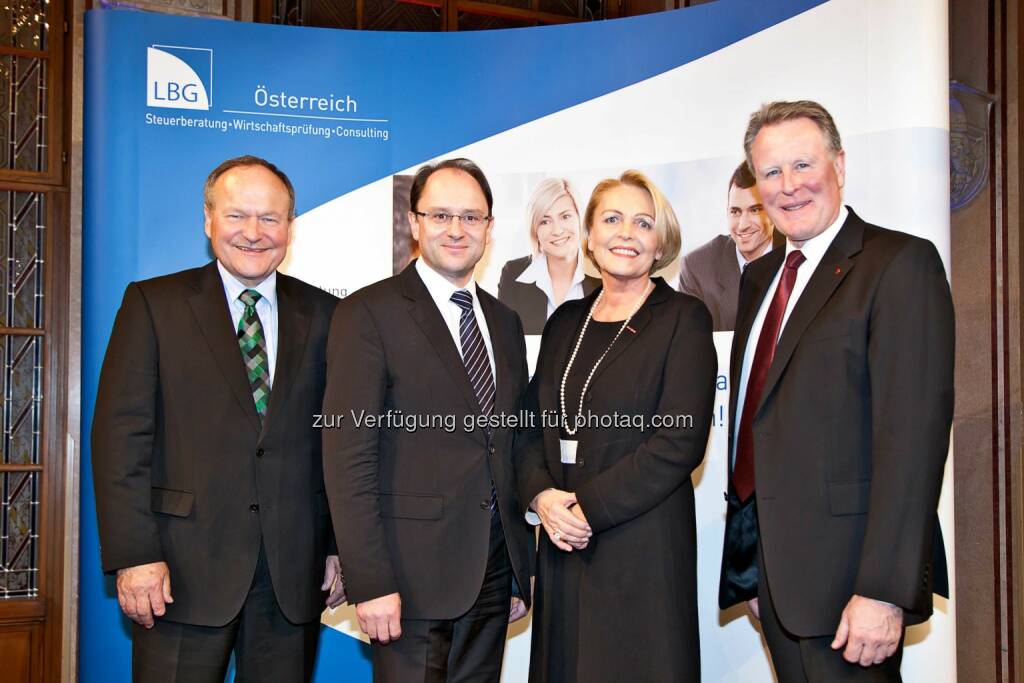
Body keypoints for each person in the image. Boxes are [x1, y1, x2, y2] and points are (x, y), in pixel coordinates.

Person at [718, 100, 954, 682]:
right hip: (775, 581)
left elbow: (912, 441)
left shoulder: (900, 263)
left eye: (803, 165)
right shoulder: (758, 278)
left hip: (854, 589)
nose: (788, 186)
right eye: (771, 173)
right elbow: (759, 426)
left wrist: (883, 591)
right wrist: (753, 569)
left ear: (840, 166)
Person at [91, 155, 345, 682]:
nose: (253, 233)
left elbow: (339, 443)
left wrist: (339, 547)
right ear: (208, 220)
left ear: (290, 228)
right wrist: (134, 554)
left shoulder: (327, 315)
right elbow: (120, 439)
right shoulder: (153, 305)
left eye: (270, 219)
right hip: (178, 574)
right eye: (236, 216)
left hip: (292, 577)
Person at [323, 158, 534, 682]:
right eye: (440, 215)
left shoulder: (506, 323)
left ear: (489, 227)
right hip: (405, 581)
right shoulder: (368, 313)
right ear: (414, 224)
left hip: (491, 574)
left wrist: (516, 573)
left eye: (471, 216)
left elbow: (508, 445)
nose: (456, 230)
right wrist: (369, 580)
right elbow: (348, 458)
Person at [517, 170, 717, 682]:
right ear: (589, 236)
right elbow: (526, 424)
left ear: (660, 242)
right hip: (564, 541)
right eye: (612, 219)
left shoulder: (684, 318)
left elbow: (679, 442)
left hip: (640, 544)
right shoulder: (565, 321)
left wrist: (588, 508)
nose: (626, 233)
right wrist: (542, 497)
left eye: (642, 223)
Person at [677, 161, 778, 331]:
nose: (742, 224)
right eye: (735, 212)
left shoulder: (799, 253)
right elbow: (689, 344)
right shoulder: (697, 268)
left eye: (755, 210)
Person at [498, 177, 600, 334]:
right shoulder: (513, 274)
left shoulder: (601, 277)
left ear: (580, 218)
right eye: (545, 221)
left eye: (565, 216)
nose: (557, 231)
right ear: (534, 229)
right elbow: (505, 342)